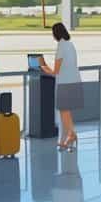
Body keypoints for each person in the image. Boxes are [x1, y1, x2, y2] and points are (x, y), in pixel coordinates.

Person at [39, 22, 82, 151]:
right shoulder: (70, 45)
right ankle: (67, 138)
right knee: (66, 112)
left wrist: (42, 65)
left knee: (64, 111)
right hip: (74, 81)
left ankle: (72, 135)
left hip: (65, 83)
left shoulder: (61, 46)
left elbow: (55, 71)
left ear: (56, 34)